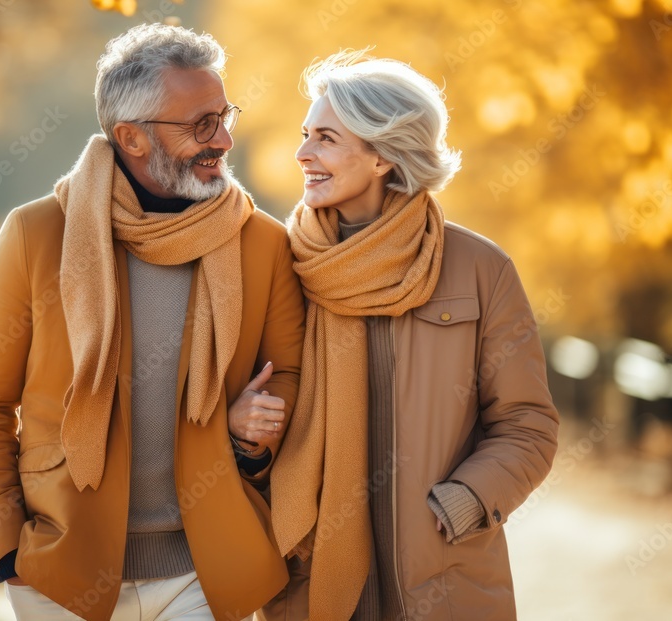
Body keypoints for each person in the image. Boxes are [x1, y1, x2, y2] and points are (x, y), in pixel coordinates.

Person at [0, 24, 306, 620]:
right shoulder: (37, 235)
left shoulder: (262, 243)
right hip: (62, 571)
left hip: (205, 573)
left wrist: (248, 436)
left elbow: (286, 371)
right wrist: (7, 548)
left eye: (224, 115)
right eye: (199, 125)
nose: (223, 138)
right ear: (131, 137)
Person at [266, 50, 559, 621]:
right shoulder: (279, 266)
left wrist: (462, 504)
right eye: (305, 135)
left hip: (447, 587)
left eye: (325, 138)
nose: (302, 154)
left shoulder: (478, 269)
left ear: (382, 154)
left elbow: (528, 424)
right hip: (311, 585)